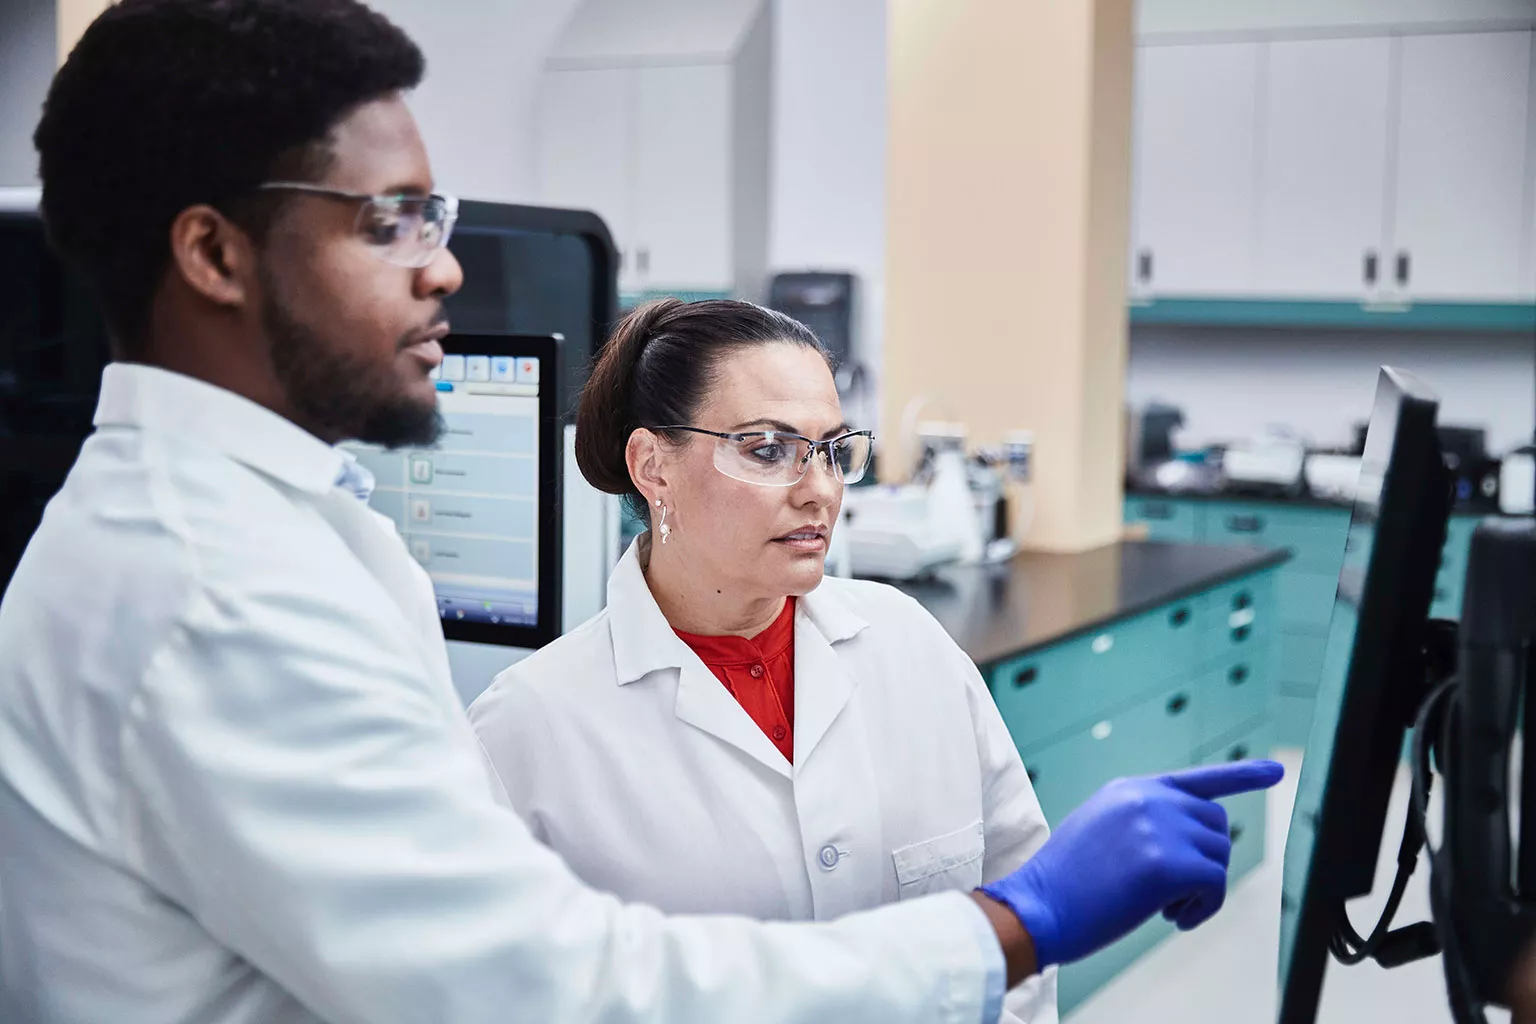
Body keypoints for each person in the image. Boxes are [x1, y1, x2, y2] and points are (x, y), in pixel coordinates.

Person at [0, 1, 1282, 1022]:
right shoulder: (218, 595)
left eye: (832, 448)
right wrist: (1018, 921)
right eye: (388, 220)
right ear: (214, 254)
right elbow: (553, 990)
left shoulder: (303, 533)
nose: (443, 263)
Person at [468, 297, 1064, 1019]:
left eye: (833, 450)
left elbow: (1020, 913)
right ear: (652, 466)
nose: (818, 490)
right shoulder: (526, 727)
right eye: (765, 449)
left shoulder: (910, 643)